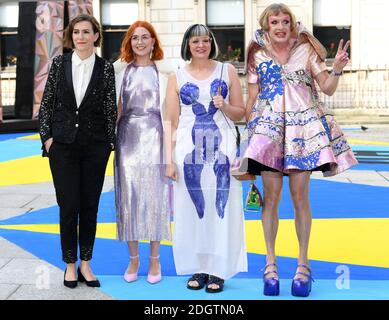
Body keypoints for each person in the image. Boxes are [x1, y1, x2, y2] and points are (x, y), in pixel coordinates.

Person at [239, 3, 358, 297]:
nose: (280, 26)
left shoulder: (307, 50)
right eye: (274, 22)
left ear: (293, 24)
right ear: (266, 26)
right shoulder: (256, 53)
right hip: (268, 133)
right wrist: (248, 140)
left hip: (302, 134)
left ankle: (303, 265)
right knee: (271, 199)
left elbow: (327, 88)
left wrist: (338, 69)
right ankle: (270, 265)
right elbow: (252, 97)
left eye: (285, 21)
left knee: (300, 196)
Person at [165, 24, 247, 293]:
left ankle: (218, 269)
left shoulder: (228, 71)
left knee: (221, 207)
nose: (201, 45)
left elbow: (241, 113)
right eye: (195, 41)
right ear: (187, 45)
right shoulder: (175, 76)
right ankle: (198, 266)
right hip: (188, 147)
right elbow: (171, 121)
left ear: (211, 43)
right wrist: (168, 158)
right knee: (191, 209)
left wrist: (224, 105)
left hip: (223, 147)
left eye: (205, 40)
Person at [38, 14, 117, 288]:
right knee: (68, 206)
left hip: (95, 147)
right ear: (71, 37)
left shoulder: (105, 68)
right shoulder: (59, 63)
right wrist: (47, 139)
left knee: (90, 207)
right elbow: (47, 103)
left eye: (86, 32)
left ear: (96, 36)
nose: (81, 37)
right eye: (76, 32)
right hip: (63, 146)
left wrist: (109, 143)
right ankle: (70, 264)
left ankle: (86, 263)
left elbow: (110, 108)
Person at [114, 21, 178, 284]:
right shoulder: (119, 71)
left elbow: (173, 113)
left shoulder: (165, 72)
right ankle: (133, 258)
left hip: (156, 135)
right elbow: (115, 108)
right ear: (129, 42)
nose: (139, 42)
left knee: (155, 195)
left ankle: (154, 259)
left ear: (153, 41)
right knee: (129, 197)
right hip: (127, 137)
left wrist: (171, 148)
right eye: (134, 38)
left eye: (144, 37)